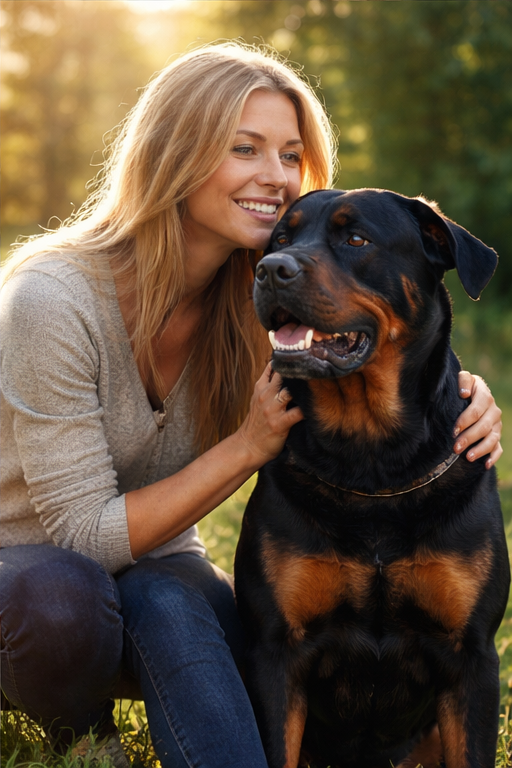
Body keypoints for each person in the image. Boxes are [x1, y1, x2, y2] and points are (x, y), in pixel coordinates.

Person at [0, 42, 503, 768]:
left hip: (156, 574)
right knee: (60, 600)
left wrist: (464, 397)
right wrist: (247, 446)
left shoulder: (264, 299)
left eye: (291, 155)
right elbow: (82, 534)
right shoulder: (51, 300)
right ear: (174, 154)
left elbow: (390, 344)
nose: (276, 176)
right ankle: (82, 737)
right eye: (244, 148)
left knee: (196, 616)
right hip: (31, 583)